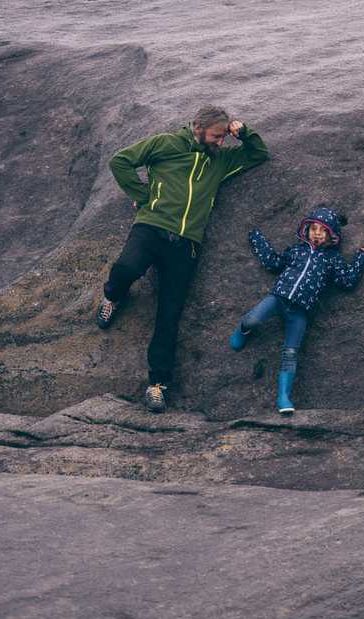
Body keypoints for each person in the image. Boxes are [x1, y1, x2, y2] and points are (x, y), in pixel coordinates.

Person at [98, 105, 270, 412]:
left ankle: (158, 385)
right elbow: (120, 161)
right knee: (126, 268)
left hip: (187, 244)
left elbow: (258, 154)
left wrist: (243, 133)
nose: (221, 141)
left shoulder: (220, 160)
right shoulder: (166, 143)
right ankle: (113, 296)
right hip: (151, 227)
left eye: (224, 136)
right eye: (217, 136)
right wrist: (143, 196)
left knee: (170, 314)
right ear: (198, 128)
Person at [230, 206, 364, 414]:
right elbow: (273, 263)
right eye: (314, 229)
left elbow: (347, 281)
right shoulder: (296, 250)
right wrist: (256, 238)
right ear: (307, 230)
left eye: (323, 231)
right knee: (253, 319)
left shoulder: (332, 259)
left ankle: (284, 397)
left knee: (290, 353)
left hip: (300, 312)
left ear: (332, 236)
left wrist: (361, 258)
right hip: (278, 298)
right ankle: (243, 330)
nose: (317, 234)